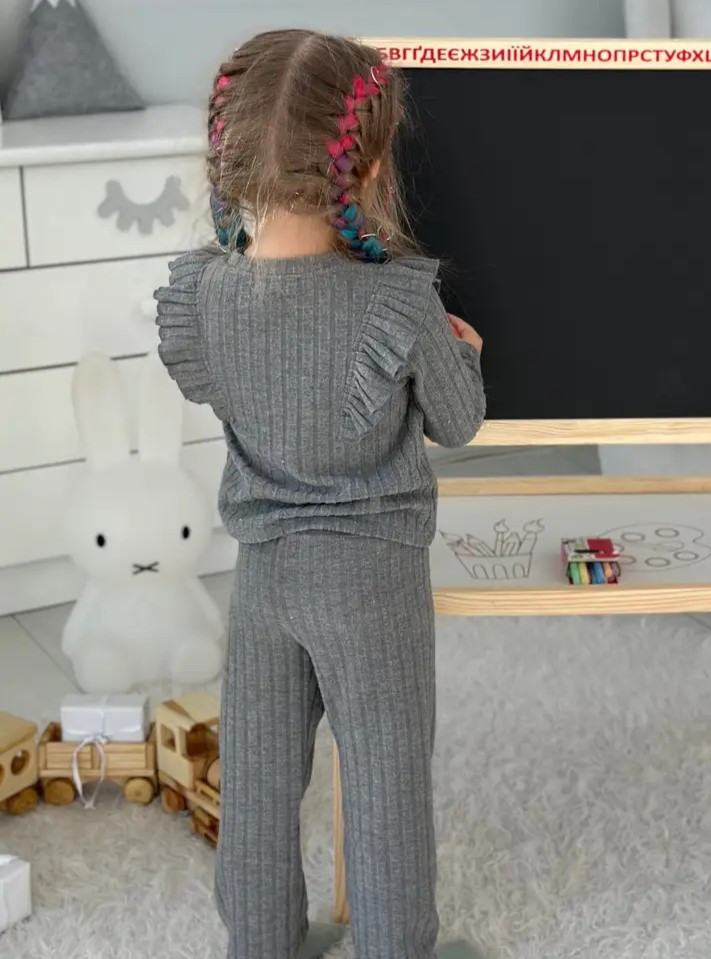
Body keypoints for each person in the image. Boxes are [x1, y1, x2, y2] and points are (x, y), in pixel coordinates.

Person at [154, 30, 486, 959]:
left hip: (263, 578)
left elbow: (232, 388)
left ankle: (260, 941)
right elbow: (457, 422)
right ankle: (391, 947)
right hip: (370, 582)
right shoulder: (399, 302)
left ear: (226, 157)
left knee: (259, 778)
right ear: (368, 164)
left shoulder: (202, 297)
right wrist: (462, 353)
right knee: (384, 779)